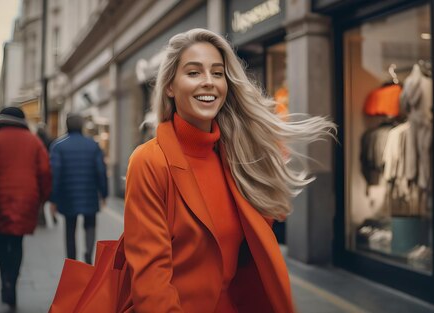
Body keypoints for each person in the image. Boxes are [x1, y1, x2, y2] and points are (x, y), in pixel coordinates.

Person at [121, 29, 336, 312]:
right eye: (194, 73)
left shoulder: (239, 156)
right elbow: (151, 279)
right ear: (170, 86)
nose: (209, 82)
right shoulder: (149, 161)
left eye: (218, 73)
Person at [0, 107, 51, 306]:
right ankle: (12, 282)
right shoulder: (34, 141)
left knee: (0, 239)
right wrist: (42, 197)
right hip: (26, 198)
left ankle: (4, 278)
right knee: (17, 242)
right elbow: (45, 172)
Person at [49, 114, 108, 264]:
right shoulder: (93, 145)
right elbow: (101, 171)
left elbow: (55, 175)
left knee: (70, 228)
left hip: (68, 195)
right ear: (81, 126)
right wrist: (104, 193)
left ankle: (72, 261)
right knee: (90, 224)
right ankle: (88, 254)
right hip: (89, 194)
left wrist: (53, 199)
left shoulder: (58, 146)